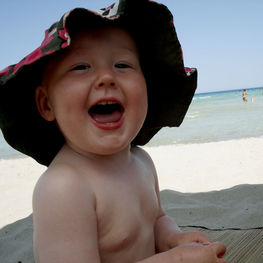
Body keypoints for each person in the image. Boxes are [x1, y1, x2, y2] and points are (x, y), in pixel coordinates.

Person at [0, 1, 226, 262]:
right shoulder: (63, 188)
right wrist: (178, 259)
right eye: (81, 67)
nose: (106, 77)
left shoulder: (142, 161)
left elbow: (156, 220)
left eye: (122, 65)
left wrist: (172, 238)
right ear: (47, 104)